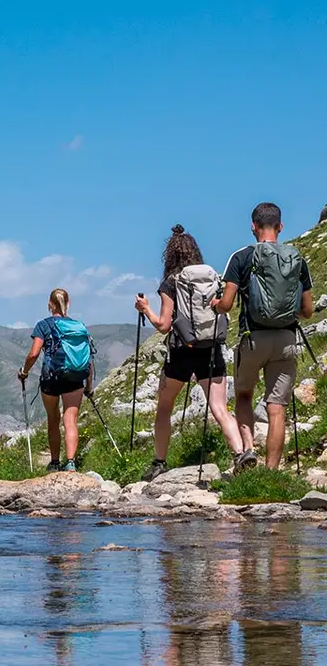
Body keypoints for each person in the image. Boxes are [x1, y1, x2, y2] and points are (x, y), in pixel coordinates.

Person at [133, 225, 251, 480]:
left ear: (170, 255)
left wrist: (145, 309)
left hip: (181, 352)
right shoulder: (211, 278)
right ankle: (241, 453)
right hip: (211, 348)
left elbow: (164, 325)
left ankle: (159, 462)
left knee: (164, 407)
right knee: (219, 407)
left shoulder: (171, 283)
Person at [212, 202, 314, 468]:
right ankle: (271, 472)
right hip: (286, 339)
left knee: (244, 395)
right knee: (277, 407)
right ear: (280, 226)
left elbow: (227, 304)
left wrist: (216, 304)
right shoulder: (296, 259)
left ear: (253, 227)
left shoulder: (241, 257)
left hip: (253, 339)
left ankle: (248, 450)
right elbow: (308, 311)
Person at [17, 289, 90, 472]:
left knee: (53, 419)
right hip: (75, 377)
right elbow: (88, 359)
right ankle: (71, 462)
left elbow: (34, 354)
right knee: (70, 419)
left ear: (50, 304)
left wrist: (24, 372)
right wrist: (89, 386)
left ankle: (55, 462)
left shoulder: (43, 325)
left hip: (52, 378)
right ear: (68, 303)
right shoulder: (79, 326)